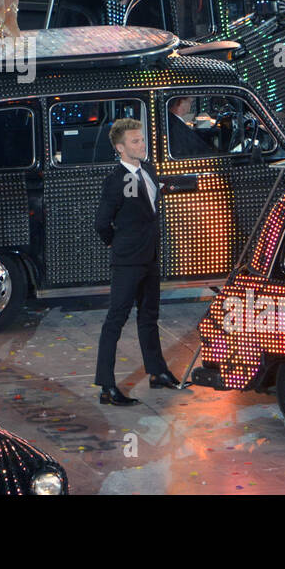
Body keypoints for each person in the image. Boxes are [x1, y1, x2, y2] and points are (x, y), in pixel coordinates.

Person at [92, 118, 179, 406]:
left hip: (150, 257)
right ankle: (107, 387)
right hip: (128, 261)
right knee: (115, 321)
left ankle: (157, 372)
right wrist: (115, 243)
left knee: (149, 317)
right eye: (135, 141)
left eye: (142, 139)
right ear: (120, 148)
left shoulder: (149, 171)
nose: (141, 144)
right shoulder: (116, 181)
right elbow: (102, 222)